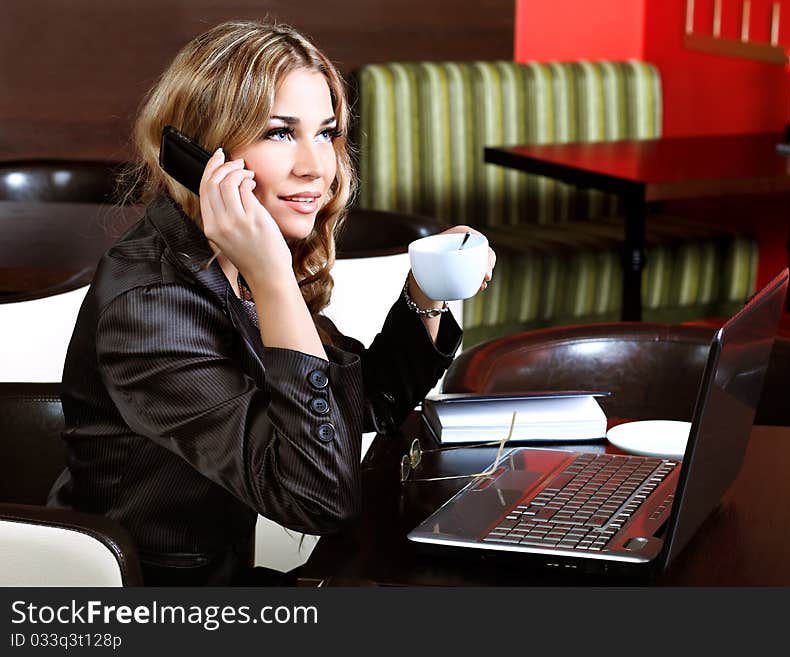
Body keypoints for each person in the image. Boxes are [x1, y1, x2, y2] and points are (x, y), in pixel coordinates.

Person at [47, 19, 495, 586]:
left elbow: (362, 406)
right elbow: (318, 499)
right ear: (201, 152)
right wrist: (274, 279)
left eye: (327, 133)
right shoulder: (152, 304)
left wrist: (424, 292)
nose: (317, 167)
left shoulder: (231, 260)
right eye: (279, 133)